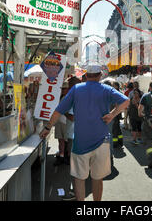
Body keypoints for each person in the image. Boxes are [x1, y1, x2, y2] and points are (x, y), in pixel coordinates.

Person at [39, 64, 129, 202]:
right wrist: (112, 114)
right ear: (100, 76)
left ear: (86, 76)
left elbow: (58, 111)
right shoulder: (106, 89)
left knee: (79, 177)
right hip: (102, 140)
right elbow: (125, 101)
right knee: (97, 178)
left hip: (80, 142)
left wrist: (47, 127)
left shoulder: (76, 89)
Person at [54, 81, 70, 166]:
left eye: (64, 88)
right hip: (59, 121)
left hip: (66, 122)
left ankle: (66, 157)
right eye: (62, 88)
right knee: (60, 140)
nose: (63, 90)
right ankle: (61, 156)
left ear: (68, 89)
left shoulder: (69, 97)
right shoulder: (59, 97)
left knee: (66, 141)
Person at [112, 81, 124, 149]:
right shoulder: (119, 93)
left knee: (115, 129)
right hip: (118, 113)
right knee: (118, 128)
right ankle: (120, 142)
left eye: (113, 85)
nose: (112, 86)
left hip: (115, 113)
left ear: (116, 86)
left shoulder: (115, 93)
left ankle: (115, 143)